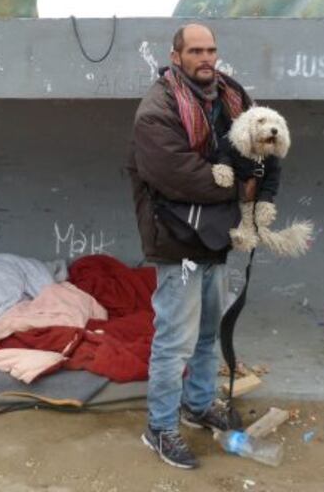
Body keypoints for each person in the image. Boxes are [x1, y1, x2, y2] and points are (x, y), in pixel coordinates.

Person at [127, 23, 253, 469]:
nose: (206, 57)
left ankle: (197, 405)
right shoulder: (157, 109)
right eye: (196, 50)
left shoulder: (229, 97)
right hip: (176, 236)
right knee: (175, 338)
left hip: (214, 234)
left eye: (211, 49)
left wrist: (257, 175)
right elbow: (175, 174)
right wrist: (242, 187)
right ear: (176, 55)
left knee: (207, 332)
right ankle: (159, 428)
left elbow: (254, 144)